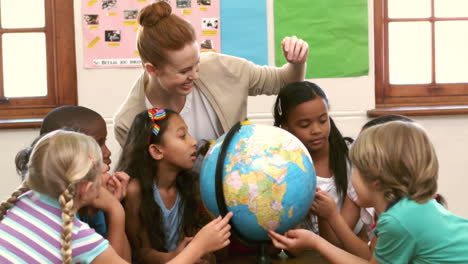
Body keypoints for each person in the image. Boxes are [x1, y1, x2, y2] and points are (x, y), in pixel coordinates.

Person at [0, 130, 233, 264]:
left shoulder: (24, 200)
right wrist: (199, 247)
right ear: (86, 188)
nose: (108, 173)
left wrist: (115, 210)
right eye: (103, 171)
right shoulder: (77, 235)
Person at [114, 1, 309, 149]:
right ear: (152, 70)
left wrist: (297, 62)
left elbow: (283, 81)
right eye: (184, 71)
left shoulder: (220, 68)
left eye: (196, 63)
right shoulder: (129, 122)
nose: (195, 75)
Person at [269, 121, 468, 263]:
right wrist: (315, 241)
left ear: (375, 180)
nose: (350, 178)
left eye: (354, 170)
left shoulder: (398, 221)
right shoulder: (407, 208)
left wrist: (315, 242)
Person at [14, 105, 131, 261]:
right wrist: (116, 210)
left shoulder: (27, 200)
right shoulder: (76, 231)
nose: (108, 152)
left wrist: (112, 205)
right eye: (98, 144)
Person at [117, 108, 219, 263]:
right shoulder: (135, 190)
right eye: (182, 136)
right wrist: (175, 257)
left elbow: (192, 238)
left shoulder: (190, 186)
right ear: (157, 151)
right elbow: (138, 253)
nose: (194, 142)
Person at [273, 81, 362, 248]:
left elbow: (338, 243)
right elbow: (292, 248)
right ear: (285, 128)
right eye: (305, 125)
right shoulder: (279, 170)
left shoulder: (353, 160)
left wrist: (325, 215)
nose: (316, 130)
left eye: (323, 120)